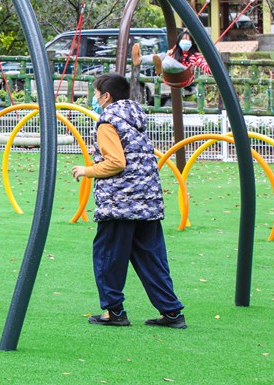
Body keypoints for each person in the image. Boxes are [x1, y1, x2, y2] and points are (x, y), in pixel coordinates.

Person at [71, 73, 187, 329]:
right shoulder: (135, 119)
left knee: (107, 256)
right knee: (151, 258)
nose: (94, 97)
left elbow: (116, 162)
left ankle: (114, 311)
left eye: (96, 92)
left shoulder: (107, 122)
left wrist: (87, 170)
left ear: (106, 96)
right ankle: (171, 313)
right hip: (147, 200)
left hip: (120, 203)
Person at [132, 30, 211, 88]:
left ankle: (161, 67)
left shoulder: (196, 56)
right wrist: (168, 55)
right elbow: (168, 60)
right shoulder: (174, 53)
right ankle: (140, 59)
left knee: (168, 60)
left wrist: (209, 64)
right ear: (179, 42)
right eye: (183, 39)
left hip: (184, 76)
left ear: (192, 42)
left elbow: (207, 69)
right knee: (163, 55)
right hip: (170, 77)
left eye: (187, 40)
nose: (185, 42)